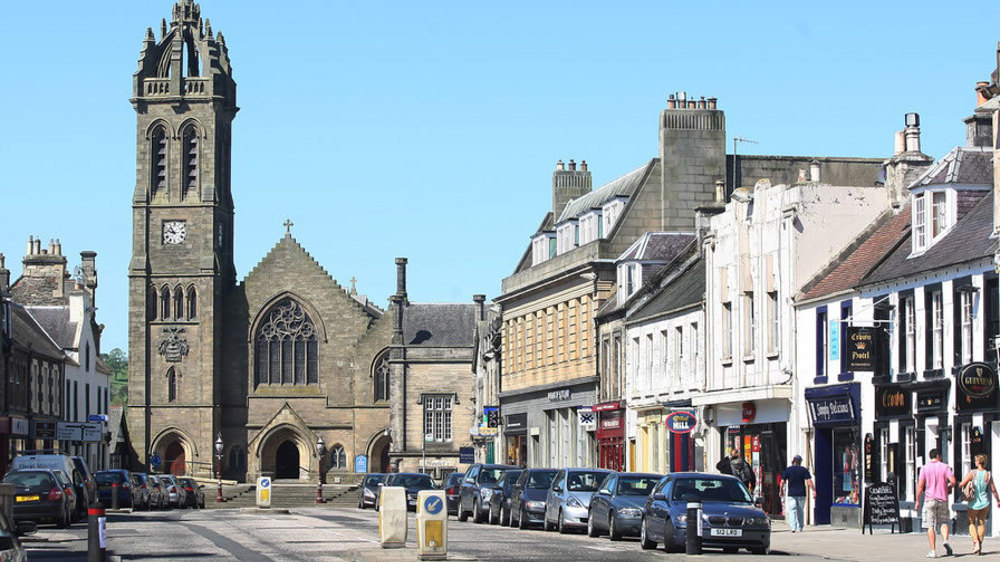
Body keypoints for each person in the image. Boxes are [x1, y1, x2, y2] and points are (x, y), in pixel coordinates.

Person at [915, 448, 956, 558]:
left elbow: (920, 486)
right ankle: (945, 540)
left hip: (930, 499)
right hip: (942, 499)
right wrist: (948, 487)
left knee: (930, 525)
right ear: (938, 456)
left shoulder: (924, 468)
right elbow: (953, 481)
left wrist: (917, 501)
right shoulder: (945, 467)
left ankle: (933, 551)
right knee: (943, 522)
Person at [958, 454, 1000, 555]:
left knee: (971, 522)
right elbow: (993, 489)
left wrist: (962, 488)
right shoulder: (988, 474)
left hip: (973, 503)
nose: (975, 462)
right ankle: (979, 545)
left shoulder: (972, 473)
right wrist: (998, 500)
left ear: (978, 462)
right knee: (981, 523)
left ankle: (975, 542)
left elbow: (962, 484)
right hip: (985, 502)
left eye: (976, 460)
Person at [781, 455, 815, 533]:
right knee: (800, 511)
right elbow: (809, 481)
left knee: (792, 510)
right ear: (800, 462)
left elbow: (782, 482)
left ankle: (793, 527)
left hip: (791, 494)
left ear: (793, 461)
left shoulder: (788, 470)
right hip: (801, 493)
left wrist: (781, 491)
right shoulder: (803, 470)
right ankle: (800, 527)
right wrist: (813, 490)